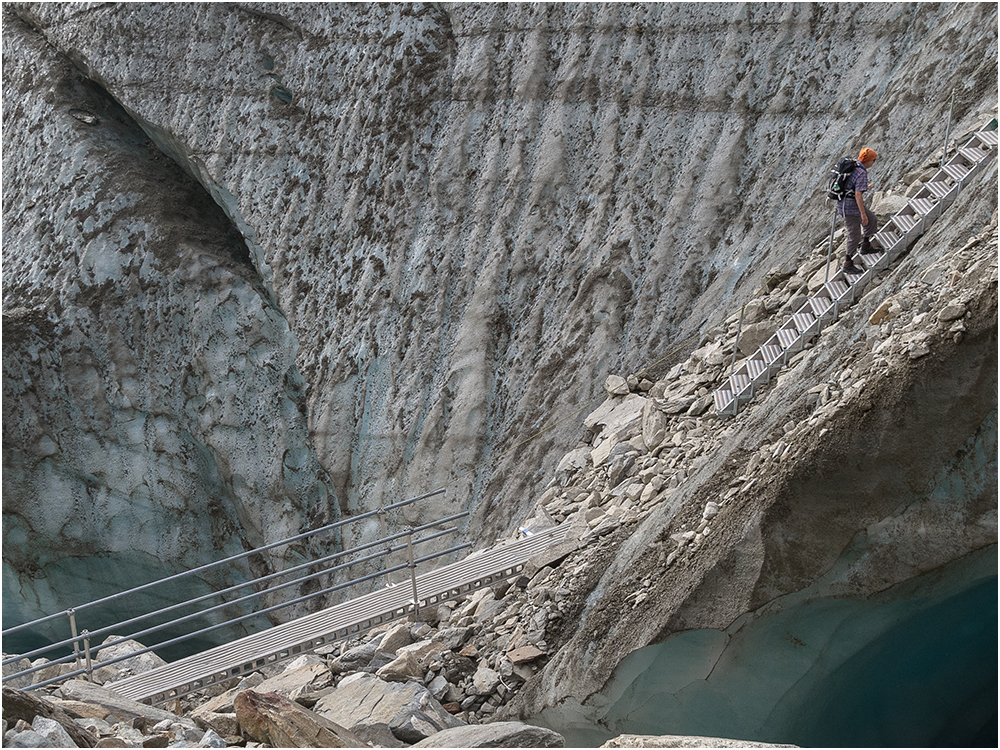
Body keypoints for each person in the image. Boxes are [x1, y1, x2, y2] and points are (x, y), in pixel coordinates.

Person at [838, 147, 878, 272]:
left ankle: (865, 245)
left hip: (847, 203)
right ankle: (848, 263)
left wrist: (865, 187)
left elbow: (853, 187)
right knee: (854, 234)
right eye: (874, 160)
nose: (874, 162)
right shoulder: (861, 172)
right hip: (850, 207)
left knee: (872, 219)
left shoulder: (855, 166)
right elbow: (858, 194)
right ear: (868, 161)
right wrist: (862, 214)